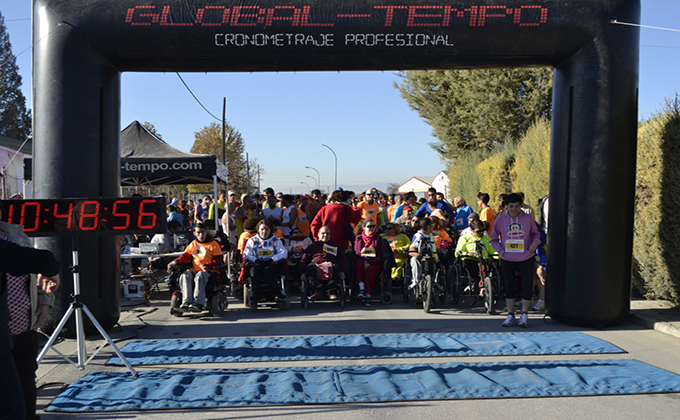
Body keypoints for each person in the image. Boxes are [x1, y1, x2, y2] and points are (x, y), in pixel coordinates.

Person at [0, 229, 61, 420]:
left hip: (24, 324)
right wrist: (51, 268)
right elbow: (42, 261)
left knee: (25, 379)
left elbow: (39, 272)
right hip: (2, 333)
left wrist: (45, 300)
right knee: (11, 405)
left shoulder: (14, 232)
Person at [490, 193, 541, 328]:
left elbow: (536, 234)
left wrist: (534, 245)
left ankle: (524, 315)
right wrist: (502, 251)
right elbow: (493, 240)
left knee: (527, 285)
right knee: (509, 285)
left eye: (517, 206)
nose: (514, 209)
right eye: (511, 206)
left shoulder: (528, 219)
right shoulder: (500, 220)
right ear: (506, 206)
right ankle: (510, 315)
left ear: (521, 206)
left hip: (526, 257)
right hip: (507, 258)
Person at [167, 223, 223, 312]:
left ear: (206, 232)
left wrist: (207, 265)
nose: (201, 235)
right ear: (194, 233)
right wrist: (174, 262)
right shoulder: (193, 244)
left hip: (209, 271)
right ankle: (186, 302)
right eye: (198, 232)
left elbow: (218, 261)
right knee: (185, 275)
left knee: (200, 275)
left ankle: (198, 303)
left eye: (203, 232)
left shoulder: (213, 244)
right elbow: (184, 256)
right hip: (195, 270)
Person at [242, 220, 288, 300]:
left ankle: (275, 292)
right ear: (258, 230)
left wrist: (272, 259)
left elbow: (283, 253)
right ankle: (257, 293)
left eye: (266, 229)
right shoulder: (252, 241)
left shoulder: (276, 241)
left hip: (271, 264)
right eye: (262, 229)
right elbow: (246, 254)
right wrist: (255, 260)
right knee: (255, 271)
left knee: (268, 272)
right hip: (256, 263)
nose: (264, 231)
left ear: (270, 230)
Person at [300, 226, 347, 300]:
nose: (325, 235)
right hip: (316, 265)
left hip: (331, 265)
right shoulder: (313, 246)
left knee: (335, 269)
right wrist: (302, 273)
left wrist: (343, 271)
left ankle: (331, 292)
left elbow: (342, 260)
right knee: (310, 268)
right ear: (318, 234)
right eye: (323, 233)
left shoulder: (334, 246)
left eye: (327, 234)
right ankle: (318, 292)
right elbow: (304, 259)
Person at [353, 218, 386, 305]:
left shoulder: (378, 239)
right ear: (363, 228)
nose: (371, 228)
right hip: (362, 260)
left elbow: (380, 255)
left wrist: (370, 263)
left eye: (373, 226)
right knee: (359, 263)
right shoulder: (359, 238)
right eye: (369, 226)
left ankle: (368, 294)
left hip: (375, 262)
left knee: (369, 271)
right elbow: (357, 253)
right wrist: (365, 262)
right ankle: (361, 287)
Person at [407, 217, 437, 290]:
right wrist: (419, 255)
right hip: (421, 257)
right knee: (414, 260)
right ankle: (415, 281)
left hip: (431, 256)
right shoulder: (418, 236)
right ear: (428, 227)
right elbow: (411, 250)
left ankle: (435, 282)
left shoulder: (430, 235)